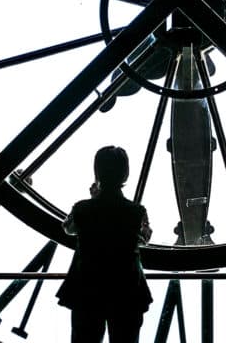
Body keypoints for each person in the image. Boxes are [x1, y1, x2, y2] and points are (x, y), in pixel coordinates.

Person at [56, 146, 153, 343]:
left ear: (97, 172)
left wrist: (93, 200)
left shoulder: (82, 209)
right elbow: (144, 238)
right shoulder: (136, 212)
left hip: (87, 288)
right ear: (125, 173)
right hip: (127, 289)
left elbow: (68, 228)